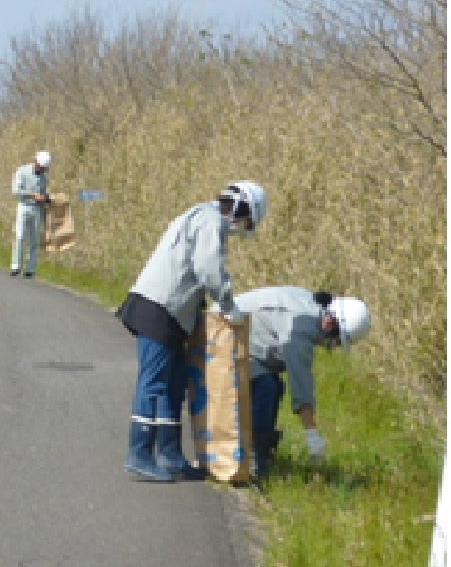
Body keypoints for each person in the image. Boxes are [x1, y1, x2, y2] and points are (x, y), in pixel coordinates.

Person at [117, 181, 269, 482]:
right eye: (246, 220)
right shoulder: (210, 221)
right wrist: (227, 302)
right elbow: (208, 269)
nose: (242, 227)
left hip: (173, 314)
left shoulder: (204, 218)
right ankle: (139, 452)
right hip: (158, 308)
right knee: (154, 382)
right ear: (240, 207)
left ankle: (171, 455)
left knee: (174, 383)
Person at [222, 286, 371, 477]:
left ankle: (259, 452)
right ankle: (252, 457)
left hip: (244, 338)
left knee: (274, 386)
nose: (333, 346)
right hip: (224, 335)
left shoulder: (310, 307)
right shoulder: (303, 327)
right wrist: (312, 433)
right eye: (337, 341)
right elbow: (301, 380)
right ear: (331, 324)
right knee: (266, 387)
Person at [10, 151, 52, 278]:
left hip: (37, 209)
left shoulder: (44, 177)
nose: (43, 170)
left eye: (45, 168)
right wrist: (33, 195)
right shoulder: (22, 171)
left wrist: (45, 199)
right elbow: (16, 191)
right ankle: (16, 266)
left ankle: (30, 269)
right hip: (24, 206)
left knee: (34, 240)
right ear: (36, 162)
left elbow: (44, 193)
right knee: (20, 236)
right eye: (42, 167)